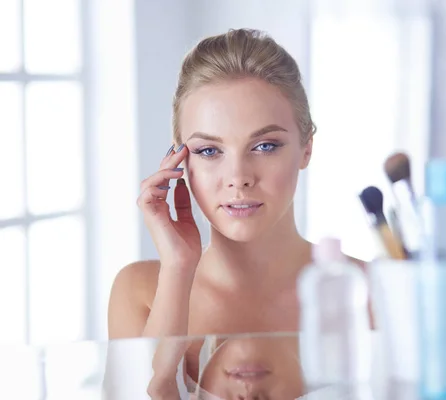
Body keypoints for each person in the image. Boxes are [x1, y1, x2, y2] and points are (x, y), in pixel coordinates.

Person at [107, 28, 368, 397]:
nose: (238, 178)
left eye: (265, 145)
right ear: (179, 159)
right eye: (209, 151)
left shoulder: (364, 291)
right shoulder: (140, 292)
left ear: (306, 148)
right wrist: (178, 269)